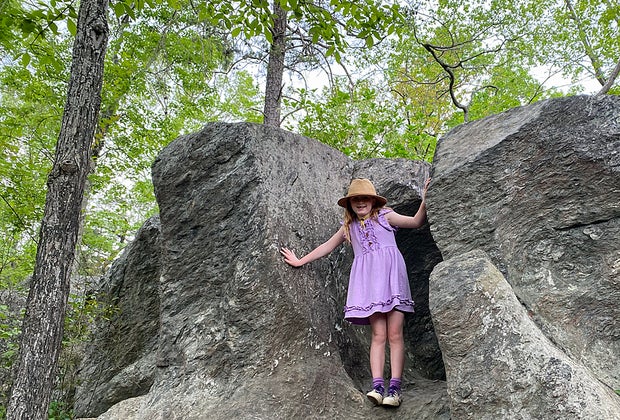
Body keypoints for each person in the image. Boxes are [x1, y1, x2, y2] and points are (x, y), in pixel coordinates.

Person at [280, 177, 431, 408]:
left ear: (372, 201)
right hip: (371, 285)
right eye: (355, 199)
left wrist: (425, 197)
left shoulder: (385, 216)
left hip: (392, 281)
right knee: (378, 335)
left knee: (395, 334)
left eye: (365, 198)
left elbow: (416, 221)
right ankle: (378, 386)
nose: (361, 202)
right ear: (350, 204)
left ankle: (395, 389)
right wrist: (301, 260)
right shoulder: (348, 228)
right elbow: (326, 247)